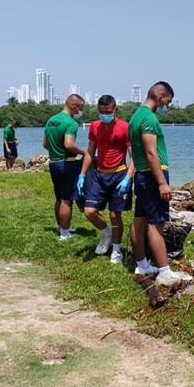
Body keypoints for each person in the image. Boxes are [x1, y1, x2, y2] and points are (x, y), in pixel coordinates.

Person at [129, 81, 191, 286]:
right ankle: (164, 271)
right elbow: (150, 152)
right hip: (152, 176)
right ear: (159, 95)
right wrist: (162, 183)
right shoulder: (148, 118)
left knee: (139, 220)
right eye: (168, 100)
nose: (167, 105)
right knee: (157, 224)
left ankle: (142, 264)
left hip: (142, 175)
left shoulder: (136, 116)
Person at [78, 95, 133, 264]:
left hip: (119, 174)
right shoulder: (95, 126)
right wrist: (82, 174)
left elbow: (135, 156)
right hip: (99, 174)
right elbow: (90, 152)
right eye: (101, 112)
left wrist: (128, 178)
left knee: (115, 214)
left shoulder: (125, 127)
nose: (105, 115)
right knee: (89, 211)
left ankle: (116, 250)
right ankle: (107, 233)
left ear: (115, 110)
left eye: (108, 112)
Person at [42, 94, 86, 241]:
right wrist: (85, 152)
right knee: (67, 200)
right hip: (67, 163)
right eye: (81, 108)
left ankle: (61, 226)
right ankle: (65, 233)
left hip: (54, 162)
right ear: (74, 106)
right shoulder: (71, 123)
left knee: (59, 198)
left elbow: (45, 144)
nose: (81, 112)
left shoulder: (51, 120)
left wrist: (55, 150)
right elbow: (69, 144)